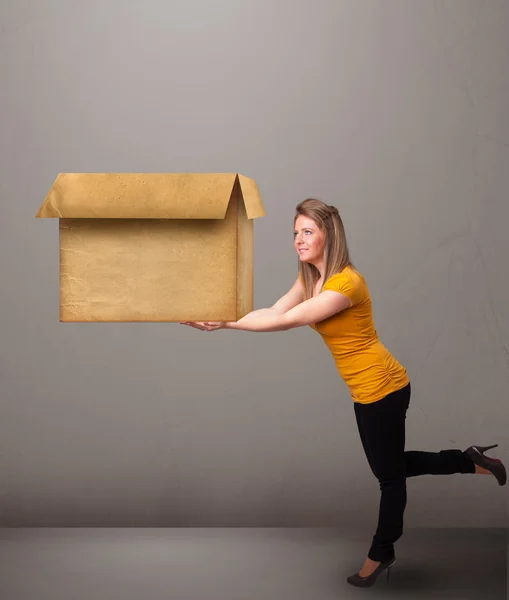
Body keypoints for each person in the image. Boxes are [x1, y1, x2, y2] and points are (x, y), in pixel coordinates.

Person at [180, 198, 507, 588]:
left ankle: (381, 552)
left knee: (390, 480)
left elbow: (287, 321)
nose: (298, 240)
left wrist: (226, 323)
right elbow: (273, 310)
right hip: (364, 392)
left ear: (328, 235)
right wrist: (221, 319)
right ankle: (467, 460)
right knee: (391, 467)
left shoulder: (346, 283)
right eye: (295, 233)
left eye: (307, 232)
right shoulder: (309, 279)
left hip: (385, 387)